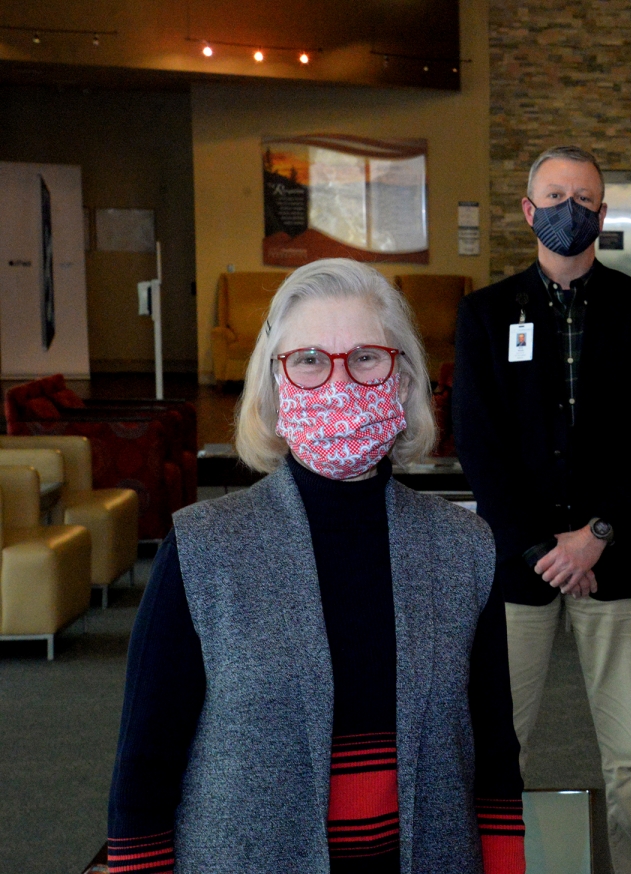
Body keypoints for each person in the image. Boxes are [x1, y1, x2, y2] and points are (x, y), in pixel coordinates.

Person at [107, 259, 525, 874]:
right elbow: (143, 770)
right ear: (274, 389)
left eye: (365, 358)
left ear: (404, 382)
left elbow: (492, 757)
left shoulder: (463, 548)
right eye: (307, 360)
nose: (338, 382)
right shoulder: (204, 549)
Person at [453, 146, 631, 874]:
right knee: (498, 746)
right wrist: (541, 549)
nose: (569, 210)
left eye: (584, 199)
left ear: (603, 215)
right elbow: (479, 444)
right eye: (555, 196)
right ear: (528, 211)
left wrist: (596, 536)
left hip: (616, 562)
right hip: (518, 568)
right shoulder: (487, 315)